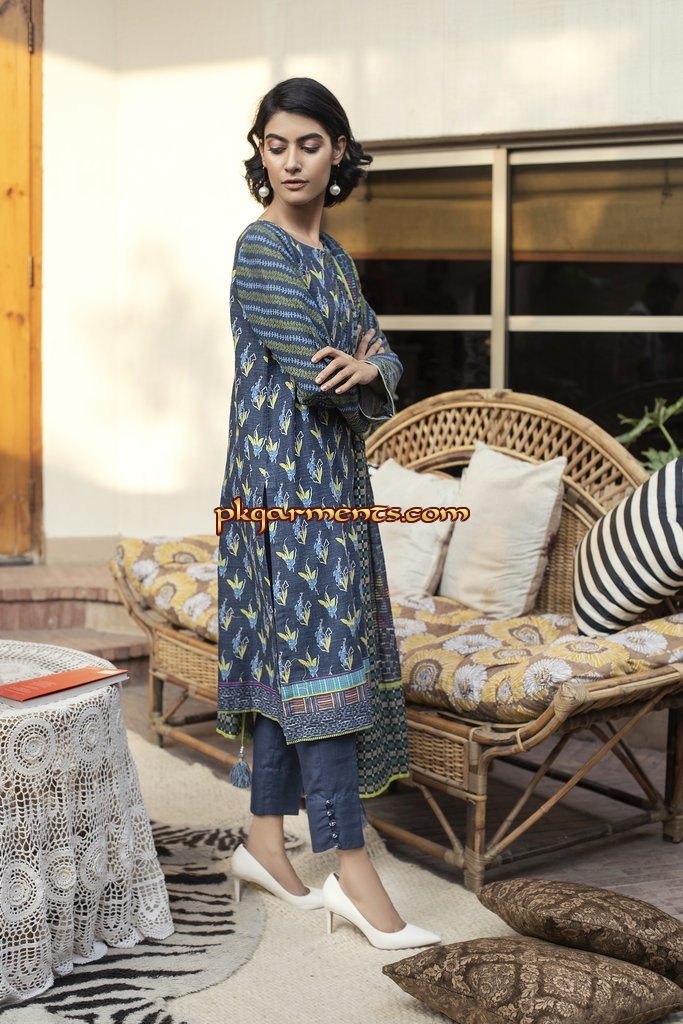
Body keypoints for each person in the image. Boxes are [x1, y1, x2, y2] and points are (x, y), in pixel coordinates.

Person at [217, 77, 439, 950]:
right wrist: (360, 367)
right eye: (275, 145)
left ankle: (264, 842)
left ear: (337, 151)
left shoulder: (336, 260)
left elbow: (381, 355)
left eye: (308, 145)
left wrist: (371, 364)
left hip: (335, 487)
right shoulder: (259, 248)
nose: (290, 162)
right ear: (260, 153)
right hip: (280, 493)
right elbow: (320, 375)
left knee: (298, 658)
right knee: (324, 663)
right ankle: (349, 866)